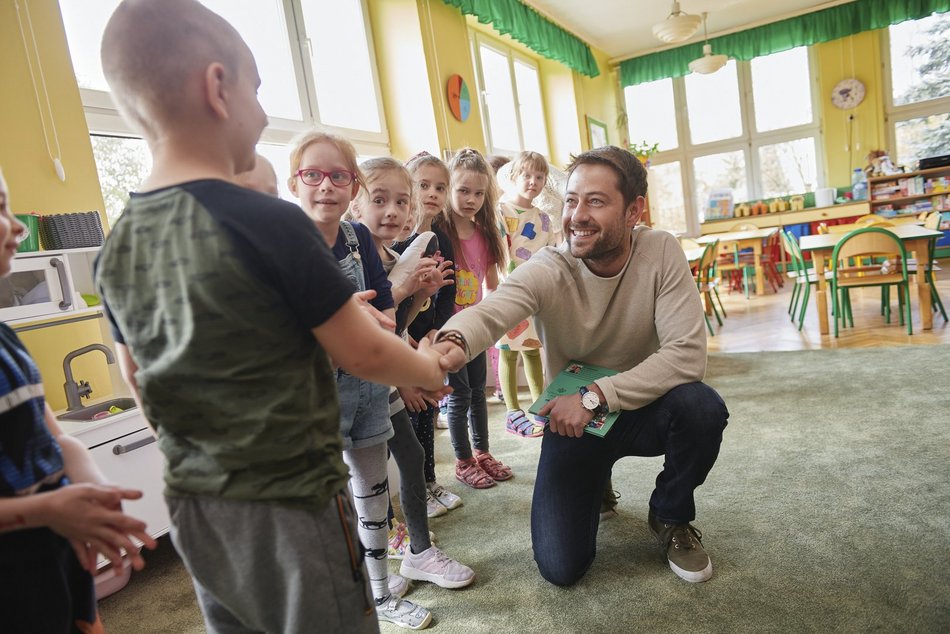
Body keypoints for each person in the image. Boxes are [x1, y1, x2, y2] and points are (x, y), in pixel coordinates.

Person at [96, 2, 448, 632]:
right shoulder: (271, 222)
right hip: (292, 497)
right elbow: (363, 350)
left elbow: (138, 380)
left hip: (196, 501)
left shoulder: (118, 244)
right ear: (217, 87)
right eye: (256, 91)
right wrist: (425, 366)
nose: (261, 114)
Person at [433, 146, 729, 586]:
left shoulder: (660, 250)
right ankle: (596, 479)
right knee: (561, 568)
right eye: (571, 200)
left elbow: (686, 355)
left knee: (702, 408)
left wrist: (595, 397)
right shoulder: (552, 266)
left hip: (635, 406)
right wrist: (447, 346)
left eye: (596, 201)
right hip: (574, 423)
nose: (577, 215)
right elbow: (491, 311)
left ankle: (670, 515)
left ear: (633, 211)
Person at [287, 132, 437, 630]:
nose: (326, 185)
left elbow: (387, 316)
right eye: (313, 174)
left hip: (369, 393)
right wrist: (345, 324)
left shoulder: (355, 240)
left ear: (353, 186)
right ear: (294, 182)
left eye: (339, 176)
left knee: (373, 496)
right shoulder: (286, 246)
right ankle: (342, 598)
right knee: (327, 509)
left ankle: (379, 593)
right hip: (317, 402)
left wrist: (362, 329)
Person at [0, 168, 157, 632]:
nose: (18, 227)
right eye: (1, 209)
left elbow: (57, 441)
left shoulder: (5, 338)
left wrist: (92, 488)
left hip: (54, 564)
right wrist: (47, 510)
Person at [349, 157, 473, 593]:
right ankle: (380, 556)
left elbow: (398, 323)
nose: (393, 211)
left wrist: (423, 293)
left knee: (410, 455)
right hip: (363, 383)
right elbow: (367, 330)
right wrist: (405, 377)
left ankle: (418, 552)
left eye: (402, 202)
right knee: (368, 478)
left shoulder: (390, 253)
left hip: (385, 377)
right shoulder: (353, 257)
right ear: (356, 203)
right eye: (379, 200)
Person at [434, 148, 512, 490]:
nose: (471, 200)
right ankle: (463, 460)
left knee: (479, 391)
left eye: (478, 193)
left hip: (476, 329)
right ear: (449, 188)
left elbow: (491, 285)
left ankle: (482, 453)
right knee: (459, 395)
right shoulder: (439, 233)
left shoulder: (485, 233)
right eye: (463, 190)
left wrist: (493, 322)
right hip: (448, 332)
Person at [395, 152, 463, 517]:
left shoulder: (442, 240)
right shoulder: (398, 239)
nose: (432, 193)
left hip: (428, 340)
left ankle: (431, 480)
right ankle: (416, 488)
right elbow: (395, 298)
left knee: (428, 414)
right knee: (410, 416)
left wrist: (438, 329)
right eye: (423, 185)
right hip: (401, 341)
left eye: (440, 187)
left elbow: (448, 290)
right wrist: (407, 339)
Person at [495, 151, 560, 438]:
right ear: (514, 177)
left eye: (539, 177)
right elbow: (499, 252)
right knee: (508, 351)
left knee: (533, 349)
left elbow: (550, 254)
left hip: (536, 292)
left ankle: (539, 407)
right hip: (508, 290)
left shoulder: (544, 219)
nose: (533, 181)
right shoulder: (499, 212)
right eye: (527, 175)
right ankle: (512, 412)